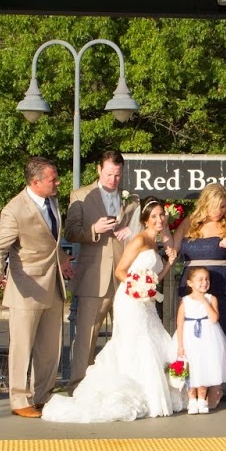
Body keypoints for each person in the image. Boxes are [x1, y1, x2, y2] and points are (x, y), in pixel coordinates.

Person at [42, 199, 183, 423]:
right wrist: (138, 287)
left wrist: (167, 265)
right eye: (154, 216)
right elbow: (120, 271)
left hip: (145, 301)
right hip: (130, 300)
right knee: (136, 342)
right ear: (145, 219)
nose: (159, 219)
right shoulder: (138, 240)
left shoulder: (154, 242)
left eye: (161, 215)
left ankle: (152, 393)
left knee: (150, 342)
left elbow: (155, 279)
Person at [0, 156, 74, 417]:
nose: (58, 182)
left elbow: (51, 240)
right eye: (53, 179)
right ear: (35, 182)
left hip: (53, 285)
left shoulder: (52, 201)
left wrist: (63, 260)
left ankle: (43, 395)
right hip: (26, 286)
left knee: (50, 348)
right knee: (22, 346)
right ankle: (18, 399)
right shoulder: (14, 210)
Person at [64, 149, 138, 386]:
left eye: (117, 175)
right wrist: (93, 229)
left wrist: (133, 232)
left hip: (125, 275)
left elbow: (146, 232)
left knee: (127, 334)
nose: (113, 180)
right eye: (108, 174)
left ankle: (125, 383)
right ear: (98, 169)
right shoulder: (80, 196)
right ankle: (78, 385)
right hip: (93, 276)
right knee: (86, 335)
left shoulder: (133, 199)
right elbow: (70, 232)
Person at [176, 183, 226, 409]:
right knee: (193, 337)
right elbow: (173, 244)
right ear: (205, 204)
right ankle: (194, 387)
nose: (218, 211)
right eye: (214, 206)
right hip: (193, 285)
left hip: (223, 285)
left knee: (221, 337)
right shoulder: (189, 223)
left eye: (222, 206)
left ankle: (216, 385)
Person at [174, 266, 226, 415]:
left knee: (205, 367)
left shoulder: (211, 299)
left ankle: (202, 399)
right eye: (200, 279)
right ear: (190, 283)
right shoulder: (185, 301)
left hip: (208, 337)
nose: (204, 282)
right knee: (191, 368)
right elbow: (180, 324)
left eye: (207, 279)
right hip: (189, 338)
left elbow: (214, 319)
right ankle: (191, 400)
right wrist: (180, 345)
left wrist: (204, 302)